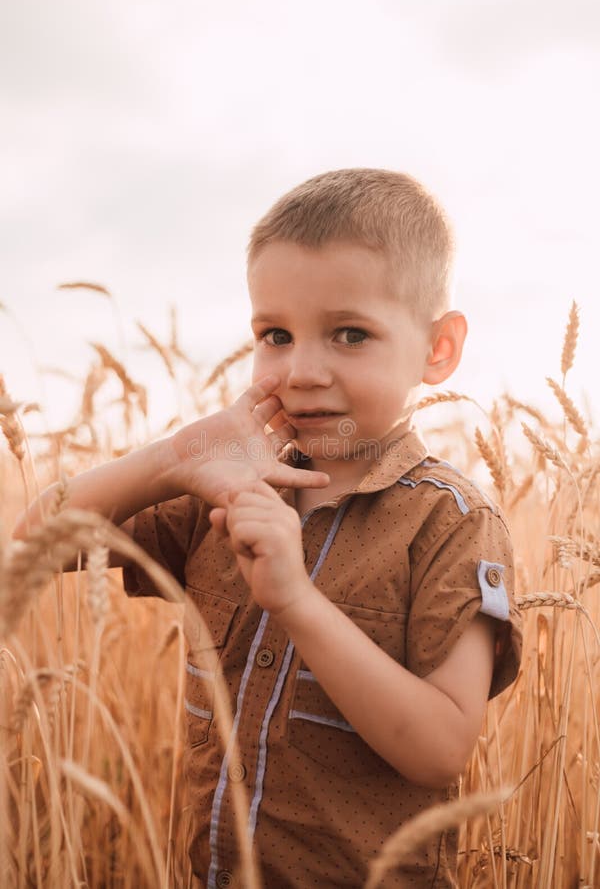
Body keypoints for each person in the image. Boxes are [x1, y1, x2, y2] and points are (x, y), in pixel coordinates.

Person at [14, 168, 522, 887]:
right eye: (275, 334)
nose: (303, 369)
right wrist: (174, 456)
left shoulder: (451, 522)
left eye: (350, 334)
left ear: (438, 349)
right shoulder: (220, 493)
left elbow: (441, 748)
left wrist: (297, 601)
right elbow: (33, 543)